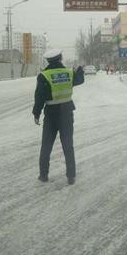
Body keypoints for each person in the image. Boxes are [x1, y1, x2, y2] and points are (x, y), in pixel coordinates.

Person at [33, 49, 84, 185]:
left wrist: (36, 114)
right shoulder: (69, 73)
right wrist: (79, 69)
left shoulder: (44, 76)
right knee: (68, 146)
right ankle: (71, 176)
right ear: (61, 58)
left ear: (48, 61)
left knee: (46, 146)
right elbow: (80, 80)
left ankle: (43, 175)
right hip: (66, 113)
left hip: (51, 115)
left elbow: (39, 98)